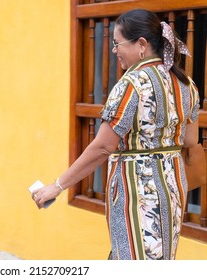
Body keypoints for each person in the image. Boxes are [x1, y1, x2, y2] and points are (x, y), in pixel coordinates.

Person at [31, 9, 200, 260]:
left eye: (117, 43)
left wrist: (57, 186)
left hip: (138, 194)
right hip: (172, 188)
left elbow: (102, 147)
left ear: (141, 44)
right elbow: (190, 140)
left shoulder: (131, 83)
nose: (114, 50)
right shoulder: (186, 83)